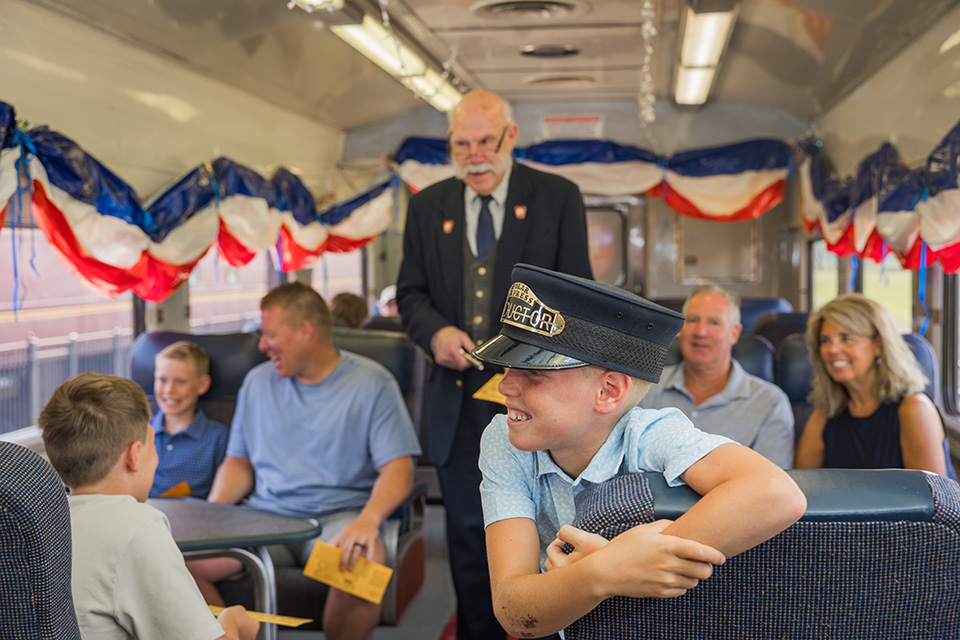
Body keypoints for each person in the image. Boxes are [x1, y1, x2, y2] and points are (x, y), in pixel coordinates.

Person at [472, 265, 807, 638]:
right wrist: (607, 570)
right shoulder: (504, 438)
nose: (505, 387)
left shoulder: (650, 434)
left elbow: (777, 493)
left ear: (609, 392)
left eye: (533, 374)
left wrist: (628, 564)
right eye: (507, 368)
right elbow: (513, 610)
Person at [396, 89, 593, 639]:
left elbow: (575, 296)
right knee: (466, 531)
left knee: (550, 526)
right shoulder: (427, 205)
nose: (475, 154)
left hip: (541, 399)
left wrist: (527, 358)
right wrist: (434, 332)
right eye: (463, 144)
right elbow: (409, 293)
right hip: (457, 400)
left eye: (486, 141)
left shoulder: (557, 197)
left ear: (510, 137)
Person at [189, 282, 421, 640]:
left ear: (306, 331)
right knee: (182, 563)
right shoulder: (256, 382)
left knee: (362, 565)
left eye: (269, 334)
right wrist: (212, 516)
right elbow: (238, 464)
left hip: (338, 521)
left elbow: (399, 470)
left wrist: (368, 520)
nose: (262, 345)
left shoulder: (372, 383)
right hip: (263, 519)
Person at [37, 372, 259, 640]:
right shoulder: (137, 527)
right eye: (152, 445)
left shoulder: (43, 521)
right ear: (134, 456)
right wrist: (232, 623)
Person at [794, 293, 953, 476]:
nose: (832, 350)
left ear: (878, 345)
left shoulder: (914, 409)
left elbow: (931, 498)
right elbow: (801, 485)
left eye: (846, 338)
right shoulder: (826, 412)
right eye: (825, 341)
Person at [639, 284, 795, 468]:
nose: (700, 332)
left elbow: (772, 484)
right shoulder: (644, 386)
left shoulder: (770, 403)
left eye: (714, 323)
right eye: (693, 320)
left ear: (734, 333)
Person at [149, 340, 229, 498]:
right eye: (162, 380)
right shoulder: (142, 432)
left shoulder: (218, 437)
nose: (169, 390)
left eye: (180, 382)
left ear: (202, 384)